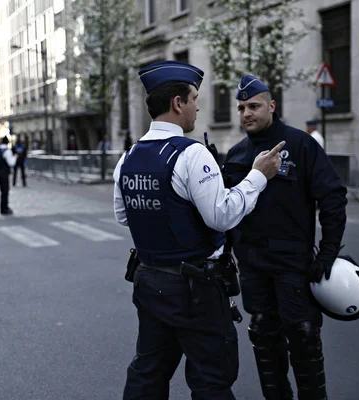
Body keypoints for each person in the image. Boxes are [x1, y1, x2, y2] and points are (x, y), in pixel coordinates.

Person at [114, 61, 284, 399]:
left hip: (149, 281)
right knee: (211, 380)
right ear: (178, 103)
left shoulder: (129, 156)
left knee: (148, 373)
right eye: (194, 98)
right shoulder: (191, 153)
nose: (197, 106)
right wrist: (258, 177)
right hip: (195, 288)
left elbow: (124, 215)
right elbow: (221, 216)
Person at [222, 75, 347, 400]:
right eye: (241, 108)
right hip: (253, 269)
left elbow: (332, 197)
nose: (246, 113)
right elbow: (225, 209)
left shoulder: (301, 145)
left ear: (272, 106)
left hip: (293, 268)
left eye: (253, 106)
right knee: (264, 339)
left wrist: (329, 252)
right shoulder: (236, 154)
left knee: (304, 340)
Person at [0, 136, 16, 215]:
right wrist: (15, 157)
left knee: (2, 190)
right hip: (4, 172)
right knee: (5, 191)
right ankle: (4, 208)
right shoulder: (7, 151)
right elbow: (11, 163)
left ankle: (3, 207)